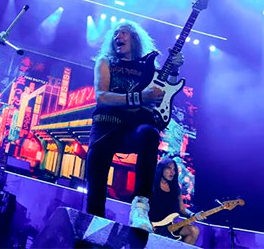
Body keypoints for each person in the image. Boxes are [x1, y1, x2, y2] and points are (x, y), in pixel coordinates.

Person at [85, 20, 184, 232]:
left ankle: (140, 206)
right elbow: (102, 96)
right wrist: (140, 97)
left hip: (134, 127)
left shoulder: (146, 66)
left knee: (149, 133)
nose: (118, 36)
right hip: (106, 125)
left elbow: (164, 90)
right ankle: (94, 221)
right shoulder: (105, 61)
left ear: (135, 40)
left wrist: (174, 68)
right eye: (115, 33)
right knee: (96, 161)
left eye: (123, 33)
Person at [150, 158, 204, 244]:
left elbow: (182, 209)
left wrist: (193, 215)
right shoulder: (151, 185)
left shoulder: (176, 189)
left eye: (174, 170)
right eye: (169, 168)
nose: (172, 172)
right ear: (161, 169)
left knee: (194, 230)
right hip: (151, 224)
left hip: (169, 226)